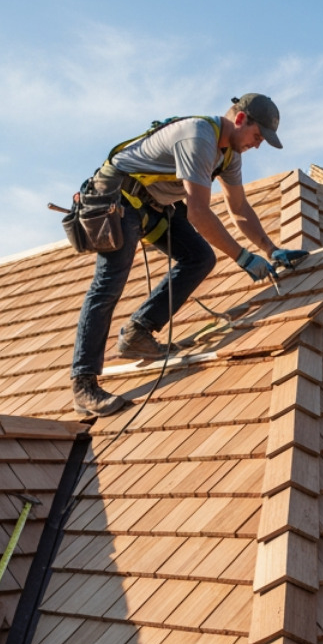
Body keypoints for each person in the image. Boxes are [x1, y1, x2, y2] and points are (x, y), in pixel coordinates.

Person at [69, 93, 308, 416]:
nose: (257, 145)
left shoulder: (229, 156)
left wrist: (270, 248)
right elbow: (198, 213)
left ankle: (138, 333)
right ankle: (83, 385)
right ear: (240, 119)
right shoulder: (199, 137)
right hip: (117, 199)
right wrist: (243, 258)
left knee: (200, 257)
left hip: (152, 207)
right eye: (257, 136)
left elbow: (238, 208)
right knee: (109, 284)